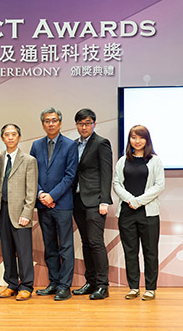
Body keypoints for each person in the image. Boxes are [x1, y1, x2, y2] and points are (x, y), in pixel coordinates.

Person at [30, 107, 78, 301]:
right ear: (43, 124)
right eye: (47, 121)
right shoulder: (36, 145)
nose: (51, 124)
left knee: (65, 246)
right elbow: (32, 172)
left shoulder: (69, 145)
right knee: (49, 246)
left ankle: (64, 286)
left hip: (63, 204)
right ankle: (54, 282)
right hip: (43, 204)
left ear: (60, 123)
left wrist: (53, 196)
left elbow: (70, 176)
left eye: (54, 120)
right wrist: (42, 194)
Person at [113, 125, 164, 301]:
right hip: (127, 214)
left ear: (147, 140)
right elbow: (117, 183)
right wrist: (130, 200)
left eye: (141, 137)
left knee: (150, 252)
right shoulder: (122, 160)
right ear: (129, 140)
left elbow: (159, 185)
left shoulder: (154, 160)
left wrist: (138, 201)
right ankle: (133, 287)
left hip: (148, 214)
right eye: (134, 137)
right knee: (130, 252)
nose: (137, 141)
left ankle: (150, 288)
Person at [71, 109, 113, 300]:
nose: (84, 127)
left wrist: (105, 199)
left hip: (95, 201)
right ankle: (91, 282)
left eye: (87, 123)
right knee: (86, 243)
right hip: (77, 200)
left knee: (96, 243)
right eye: (80, 123)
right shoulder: (73, 145)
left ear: (94, 124)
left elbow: (106, 173)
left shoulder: (101, 143)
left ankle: (103, 286)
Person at [0, 124, 38, 301]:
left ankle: (26, 285)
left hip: (20, 212)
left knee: (24, 251)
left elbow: (31, 190)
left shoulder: (28, 160)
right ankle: (11, 284)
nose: (10, 137)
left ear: (19, 137)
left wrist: (27, 213)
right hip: (2, 210)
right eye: (7, 134)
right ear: (3, 138)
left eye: (14, 134)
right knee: (7, 250)